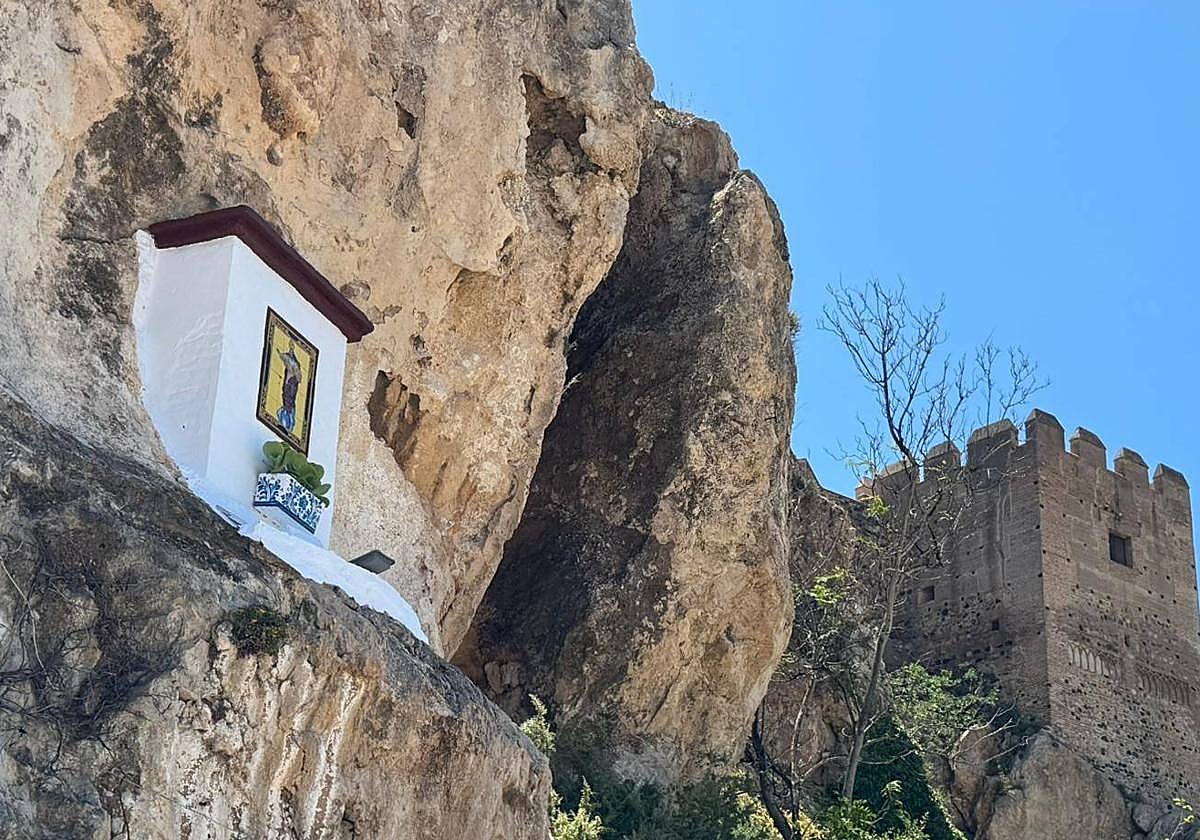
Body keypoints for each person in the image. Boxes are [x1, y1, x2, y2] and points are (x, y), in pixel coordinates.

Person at [276, 340, 302, 433]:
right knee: (287, 395)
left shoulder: (294, 363)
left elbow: (298, 375)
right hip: (289, 382)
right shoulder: (291, 360)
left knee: (289, 397)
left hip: (291, 383)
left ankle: (287, 423)